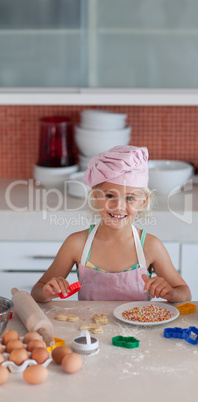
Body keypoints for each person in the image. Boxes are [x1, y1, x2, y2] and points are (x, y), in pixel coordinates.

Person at [31, 145, 191, 303]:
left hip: (139, 329)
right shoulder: (76, 244)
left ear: (143, 202)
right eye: (109, 195)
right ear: (96, 196)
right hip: (90, 328)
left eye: (130, 198)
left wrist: (171, 293)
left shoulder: (150, 246)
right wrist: (47, 292)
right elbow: (37, 291)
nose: (119, 206)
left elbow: (184, 292)